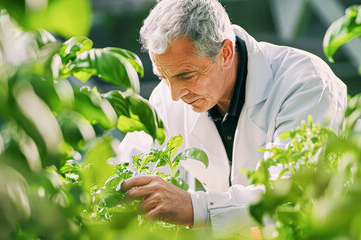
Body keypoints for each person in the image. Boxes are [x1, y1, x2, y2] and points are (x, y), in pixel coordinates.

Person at [117, 0, 347, 238]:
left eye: (187, 75)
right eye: (164, 77)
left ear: (225, 53)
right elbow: (127, 167)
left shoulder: (306, 84)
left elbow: (293, 193)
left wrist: (193, 207)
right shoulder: (167, 97)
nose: (175, 94)